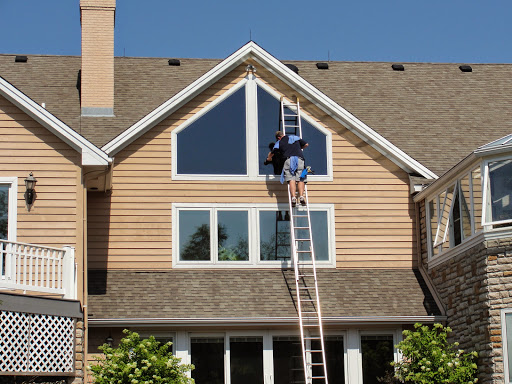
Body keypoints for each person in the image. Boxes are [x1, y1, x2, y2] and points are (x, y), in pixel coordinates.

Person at [273, 130, 309, 206]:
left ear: (279, 137)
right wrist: (299, 148)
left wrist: (269, 158)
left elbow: (274, 152)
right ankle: (301, 196)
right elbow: (306, 144)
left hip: (288, 160)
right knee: (301, 178)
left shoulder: (279, 142)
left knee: (291, 179)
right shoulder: (295, 138)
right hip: (299, 159)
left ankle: (293, 197)